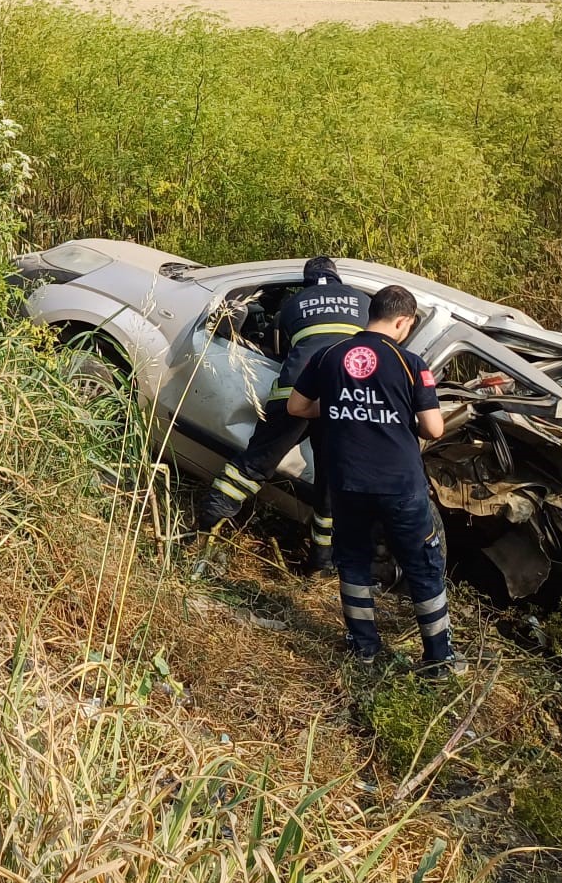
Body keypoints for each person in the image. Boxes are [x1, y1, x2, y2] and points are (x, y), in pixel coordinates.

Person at [287, 284, 460, 675]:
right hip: (400, 484)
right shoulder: (411, 363)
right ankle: (439, 659)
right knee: (423, 565)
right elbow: (433, 429)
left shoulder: (328, 355)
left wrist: (338, 408)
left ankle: (363, 649)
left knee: (353, 563)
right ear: (403, 322)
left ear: (372, 314)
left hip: (347, 482)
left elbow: (297, 406)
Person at [197, 257, 368, 568]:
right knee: (330, 482)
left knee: (254, 464)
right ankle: (321, 562)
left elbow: (278, 348)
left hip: (296, 392)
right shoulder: (362, 301)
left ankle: (209, 520)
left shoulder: (294, 303)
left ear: (306, 281)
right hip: (343, 399)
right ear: (337, 278)